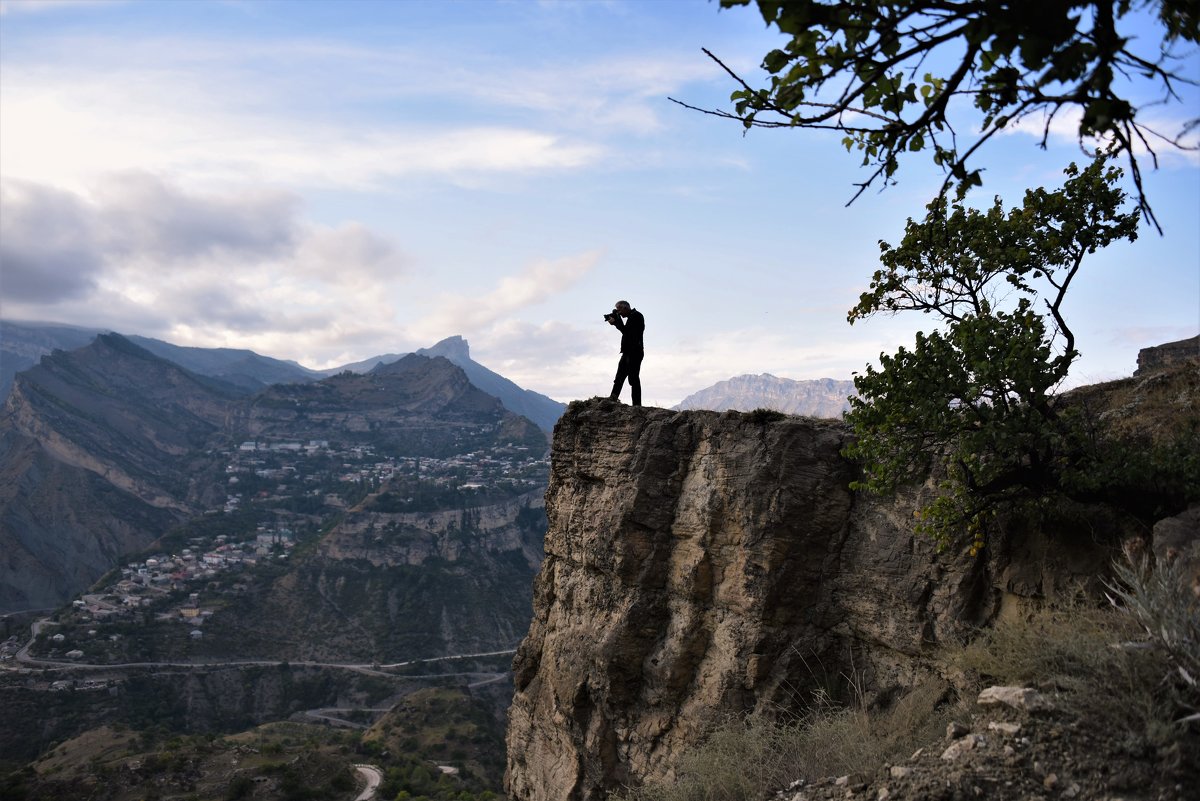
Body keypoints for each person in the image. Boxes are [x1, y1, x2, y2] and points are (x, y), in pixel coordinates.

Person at [605, 300, 644, 406]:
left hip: (635, 352)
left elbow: (627, 333)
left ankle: (636, 405)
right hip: (627, 352)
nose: (619, 313)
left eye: (619, 310)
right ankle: (612, 400)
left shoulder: (637, 316)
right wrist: (617, 323)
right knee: (619, 378)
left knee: (633, 378)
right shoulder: (632, 317)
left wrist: (617, 323)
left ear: (625, 308)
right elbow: (626, 332)